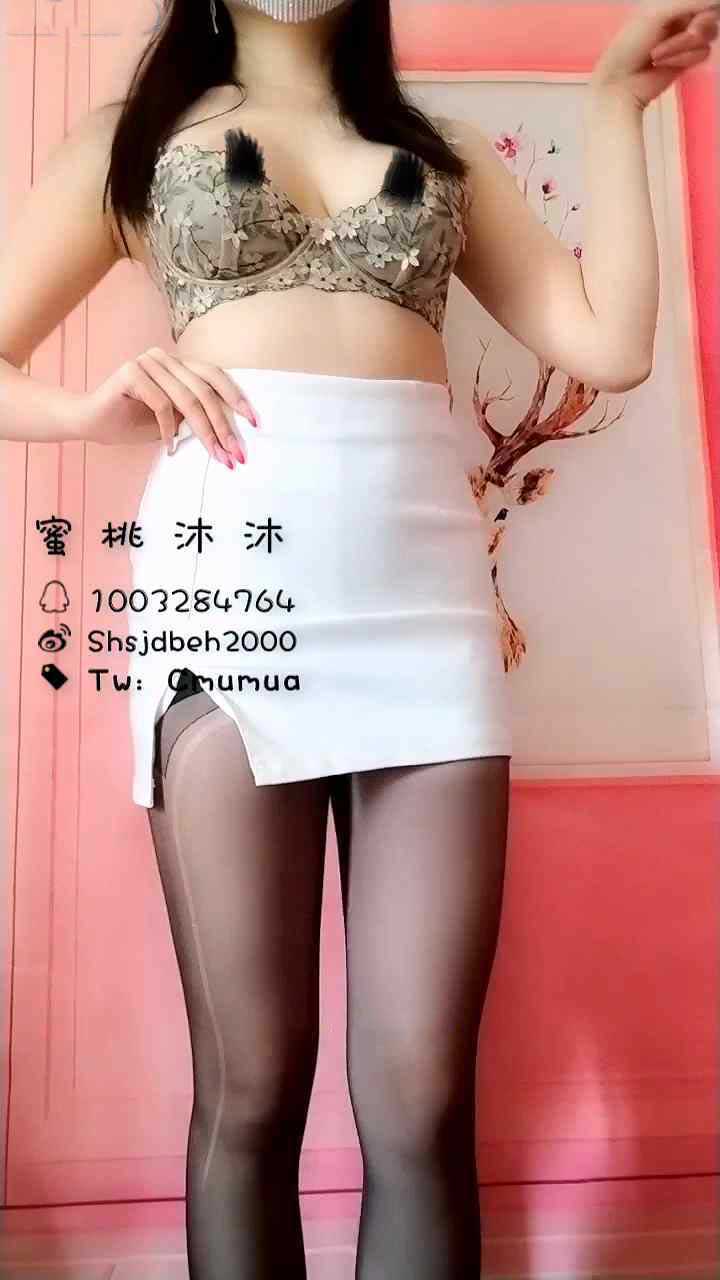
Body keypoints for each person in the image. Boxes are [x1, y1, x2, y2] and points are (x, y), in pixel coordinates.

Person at [2, 0, 714, 1274]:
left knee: (423, 1099)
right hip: (229, 605)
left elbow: (609, 346)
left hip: (425, 616)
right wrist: (87, 408)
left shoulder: (441, 153)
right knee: (252, 1085)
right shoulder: (134, 139)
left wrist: (614, 102)